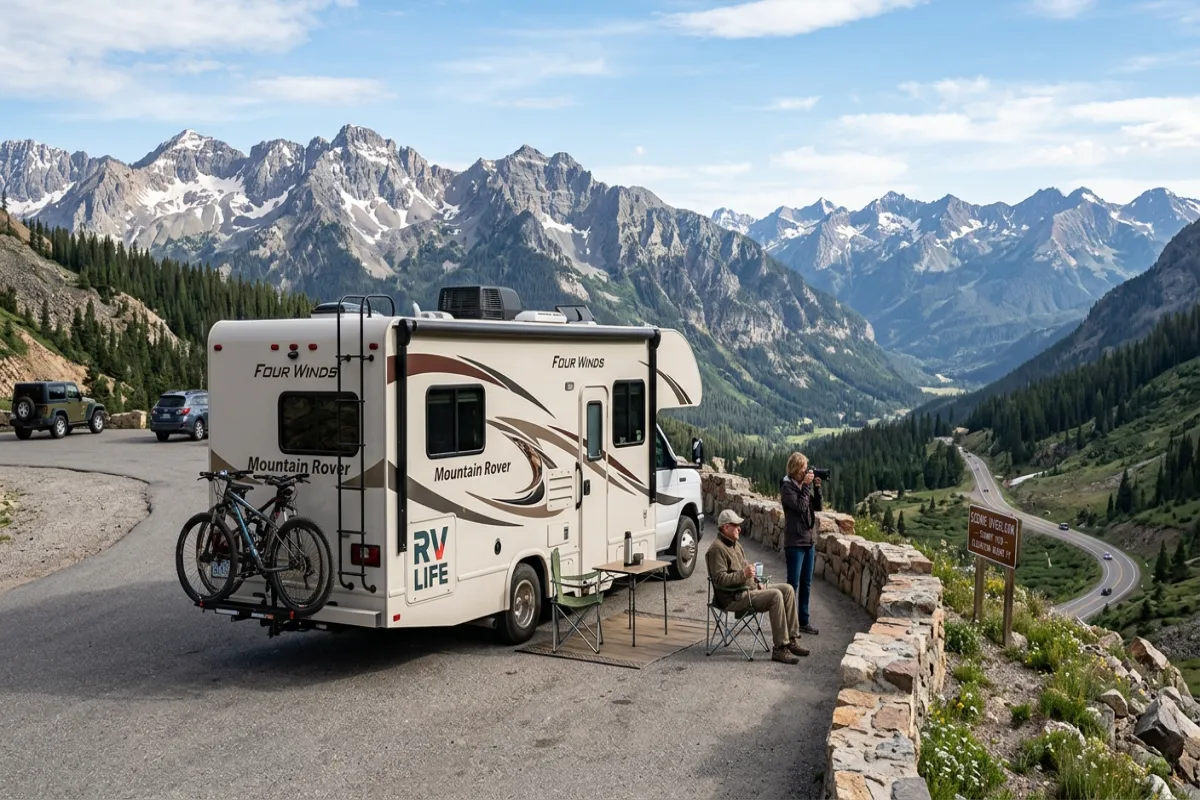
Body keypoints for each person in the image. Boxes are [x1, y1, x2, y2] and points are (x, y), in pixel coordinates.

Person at [705, 508, 809, 663]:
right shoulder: (716, 549)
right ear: (726, 527)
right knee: (775, 596)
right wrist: (744, 574)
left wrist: (757, 582)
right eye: (736, 525)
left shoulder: (736, 545)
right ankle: (780, 649)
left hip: (748, 590)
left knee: (787, 589)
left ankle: (791, 639)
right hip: (734, 598)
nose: (740, 528)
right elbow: (719, 580)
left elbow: (747, 570)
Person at [780, 452, 821, 636]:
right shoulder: (787, 487)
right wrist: (806, 487)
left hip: (808, 541)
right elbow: (800, 507)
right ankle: (789, 623)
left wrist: (817, 489)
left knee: (806, 583)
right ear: (796, 469)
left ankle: (803, 621)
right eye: (804, 468)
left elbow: (816, 507)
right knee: (792, 584)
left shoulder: (802, 486)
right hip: (795, 542)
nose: (806, 472)